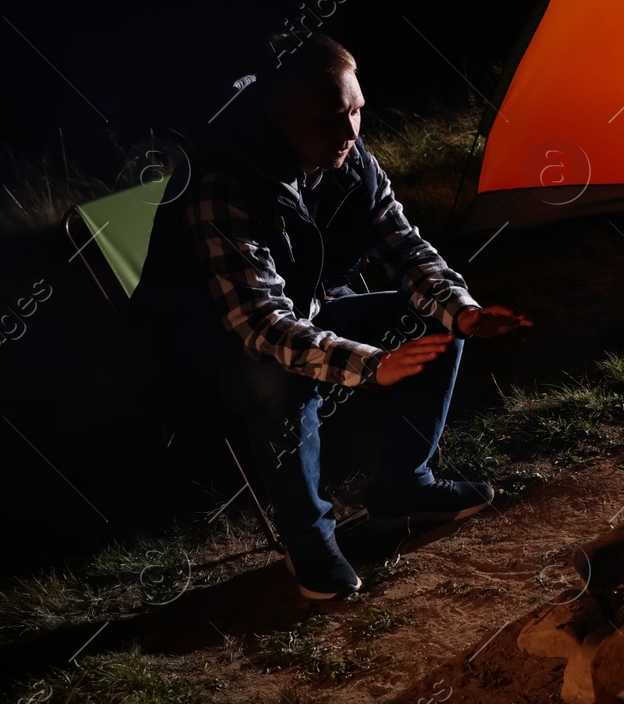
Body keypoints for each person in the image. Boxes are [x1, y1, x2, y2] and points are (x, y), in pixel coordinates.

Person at [131, 33, 530, 599]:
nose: (350, 133)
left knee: (435, 322)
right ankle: (309, 540)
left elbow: (405, 248)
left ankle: (403, 490)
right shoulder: (225, 185)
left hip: (314, 313)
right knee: (278, 376)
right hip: (218, 356)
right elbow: (262, 324)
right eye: (329, 120)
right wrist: (373, 365)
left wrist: (462, 312)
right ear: (277, 115)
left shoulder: (348, 160)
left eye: (357, 111)